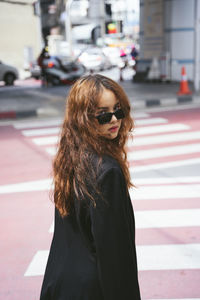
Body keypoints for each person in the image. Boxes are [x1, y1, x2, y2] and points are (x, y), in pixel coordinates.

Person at [40, 74, 141, 300]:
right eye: (103, 115)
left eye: (119, 110)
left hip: (61, 283)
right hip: (94, 288)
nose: (114, 119)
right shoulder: (108, 171)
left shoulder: (71, 158)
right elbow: (114, 255)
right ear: (84, 118)